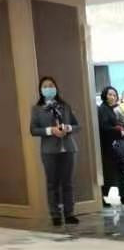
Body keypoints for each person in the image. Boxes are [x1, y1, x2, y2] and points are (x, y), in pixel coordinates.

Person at [30, 77, 81, 227]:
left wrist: (68, 128)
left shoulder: (65, 106)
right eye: (45, 86)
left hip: (68, 149)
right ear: (41, 90)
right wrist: (50, 130)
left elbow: (77, 125)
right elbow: (33, 130)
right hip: (49, 151)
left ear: (56, 88)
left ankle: (69, 213)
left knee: (67, 183)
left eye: (51, 85)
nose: (48, 88)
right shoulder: (37, 109)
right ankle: (55, 215)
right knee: (52, 183)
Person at [97, 86, 124, 207]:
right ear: (105, 95)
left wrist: (121, 127)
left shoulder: (111, 109)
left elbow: (114, 123)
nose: (112, 97)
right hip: (107, 146)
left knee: (121, 169)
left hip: (115, 145)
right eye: (110, 94)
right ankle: (101, 197)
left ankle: (123, 195)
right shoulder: (103, 109)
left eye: (114, 95)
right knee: (108, 172)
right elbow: (103, 127)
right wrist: (117, 129)